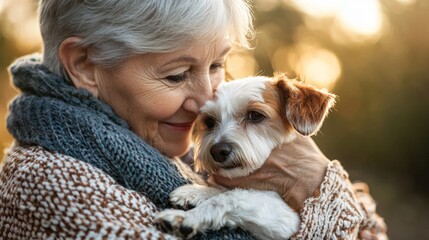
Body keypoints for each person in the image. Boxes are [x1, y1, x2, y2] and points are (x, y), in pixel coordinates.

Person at [0, 0, 387, 239]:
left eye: (217, 64)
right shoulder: (51, 182)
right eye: (176, 74)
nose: (206, 99)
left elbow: (371, 226)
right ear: (86, 66)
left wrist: (322, 188)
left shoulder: (162, 147)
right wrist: (321, 191)